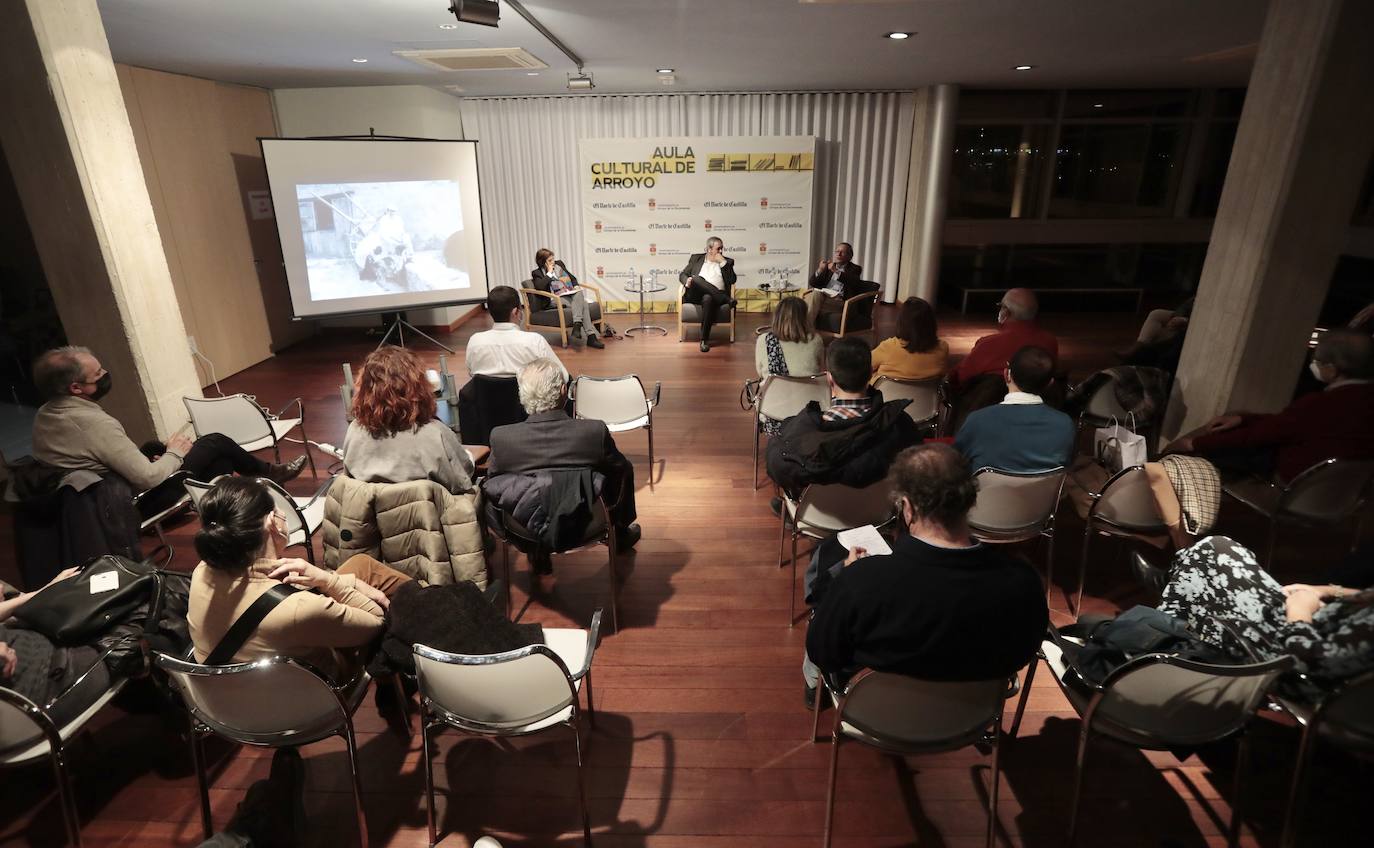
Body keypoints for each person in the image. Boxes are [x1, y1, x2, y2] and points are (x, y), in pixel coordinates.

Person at [802, 443, 1048, 704]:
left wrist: (846, 580)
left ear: (908, 507)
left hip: (879, 711)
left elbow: (823, 653)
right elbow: (1024, 651)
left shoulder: (861, 581)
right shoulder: (1022, 582)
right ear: (971, 500)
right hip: (971, 714)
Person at [1145, 330, 1374, 549]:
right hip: (1345, 498)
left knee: (1175, 461)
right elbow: (1288, 424)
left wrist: (1193, 443)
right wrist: (1243, 417)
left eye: (1319, 361)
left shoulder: (1319, 405)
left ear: (1333, 369)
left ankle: (1179, 543)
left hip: (1286, 491)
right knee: (1227, 429)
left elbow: (1257, 436)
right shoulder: (1356, 402)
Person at [187, 477, 412, 682]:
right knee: (387, 608)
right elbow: (376, 620)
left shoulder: (203, 571)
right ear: (271, 523)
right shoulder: (298, 608)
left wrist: (335, 579)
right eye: (278, 509)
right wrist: (327, 580)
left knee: (362, 566)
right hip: (305, 699)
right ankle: (426, 621)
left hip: (222, 698)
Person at [29, 346, 304, 512]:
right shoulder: (93, 423)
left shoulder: (46, 414)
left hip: (93, 498)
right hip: (130, 504)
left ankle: (236, 498)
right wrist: (173, 454)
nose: (105, 375)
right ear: (76, 388)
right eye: (98, 374)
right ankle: (268, 477)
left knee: (185, 453)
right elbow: (147, 479)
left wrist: (157, 457)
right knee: (214, 443)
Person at [487, 358, 641, 568]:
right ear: (563, 390)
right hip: (587, 523)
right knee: (623, 469)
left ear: (522, 395)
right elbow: (620, 470)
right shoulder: (592, 432)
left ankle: (537, 542)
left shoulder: (502, 439)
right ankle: (619, 533)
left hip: (523, 530)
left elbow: (495, 488)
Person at [1154, 536, 1374, 681]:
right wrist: (1324, 590)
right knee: (1218, 547)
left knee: (1207, 562)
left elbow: (1312, 660)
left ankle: (1159, 638)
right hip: (1311, 619)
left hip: (1286, 657)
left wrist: (1300, 611)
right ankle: (1169, 606)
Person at [765, 336, 923, 514]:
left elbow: (778, 467)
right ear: (870, 374)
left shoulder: (798, 434)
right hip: (878, 515)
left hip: (817, 516)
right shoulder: (901, 425)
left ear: (829, 378)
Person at [342, 346, 474, 493]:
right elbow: (462, 479)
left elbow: (349, 479)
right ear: (419, 387)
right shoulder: (434, 433)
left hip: (372, 514)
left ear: (365, 388)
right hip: (429, 514)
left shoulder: (355, 431)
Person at [947, 289, 1060, 426]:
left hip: (986, 419)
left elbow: (960, 377)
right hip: (1036, 418)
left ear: (1006, 311)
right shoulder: (1050, 342)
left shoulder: (988, 344)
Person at [955, 346, 1074, 473]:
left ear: (1007, 375)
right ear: (1050, 383)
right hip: (1043, 493)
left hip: (987, 492)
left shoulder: (977, 420)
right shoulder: (1064, 424)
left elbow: (958, 461)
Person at [466, 285, 569, 379]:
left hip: (485, 399)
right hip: (526, 399)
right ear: (516, 312)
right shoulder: (534, 341)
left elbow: (472, 374)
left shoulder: (474, 341)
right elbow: (563, 376)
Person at [531, 248, 606, 349]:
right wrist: (549, 273)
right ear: (542, 262)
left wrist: (575, 286)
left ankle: (577, 325)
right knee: (583, 303)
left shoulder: (559, 265)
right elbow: (540, 287)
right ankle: (590, 337)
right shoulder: (537, 273)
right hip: (554, 299)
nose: (553, 262)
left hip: (567, 294)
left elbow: (573, 279)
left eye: (553, 259)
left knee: (579, 293)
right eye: (549, 261)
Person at [869, 296, 949, 384]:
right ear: (931, 323)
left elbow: (863, 366)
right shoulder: (943, 348)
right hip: (926, 397)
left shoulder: (888, 347)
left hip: (886, 396)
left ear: (901, 322)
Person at [679, 237, 737, 352]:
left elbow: (732, 280)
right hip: (695, 295)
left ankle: (704, 340)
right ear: (709, 249)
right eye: (718, 248)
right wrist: (687, 281)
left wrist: (723, 263)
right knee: (696, 279)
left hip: (714, 298)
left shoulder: (727, 262)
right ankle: (726, 299)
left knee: (708, 298)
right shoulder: (696, 259)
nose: (721, 251)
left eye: (722, 248)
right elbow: (683, 274)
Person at [803, 242, 864, 325]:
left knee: (809, 300)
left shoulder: (855, 269)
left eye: (842, 252)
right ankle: (805, 329)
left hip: (840, 302)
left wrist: (836, 271)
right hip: (824, 298)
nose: (839, 254)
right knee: (805, 299)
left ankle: (804, 329)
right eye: (837, 251)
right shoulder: (828, 267)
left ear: (849, 256)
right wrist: (820, 269)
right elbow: (813, 283)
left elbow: (854, 283)